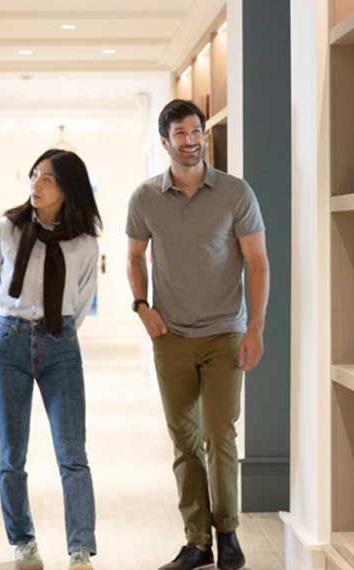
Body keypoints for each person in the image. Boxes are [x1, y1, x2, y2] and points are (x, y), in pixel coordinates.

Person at [125, 100, 270, 570]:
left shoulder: (235, 192)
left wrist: (255, 327)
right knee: (183, 440)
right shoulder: (145, 197)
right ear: (165, 142)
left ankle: (227, 533)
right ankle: (196, 541)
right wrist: (142, 307)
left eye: (197, 132)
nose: (191, 141)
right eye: (181, 134)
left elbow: (258, 262)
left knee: (219, 433)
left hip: (226, 332)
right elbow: (132, 257)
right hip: (171, 336)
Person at [0, 149, 102, 570]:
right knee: (11, 453)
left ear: (68, 187)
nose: (36, 183)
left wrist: (57, 332)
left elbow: (82, 301)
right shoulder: (6, 229)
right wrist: (7, 331)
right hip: (9, 340)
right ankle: (23, 542)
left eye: (47, 178)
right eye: (33, 175)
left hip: (60, 343)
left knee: (72, 452)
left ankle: (80, 548)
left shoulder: (84, 242)